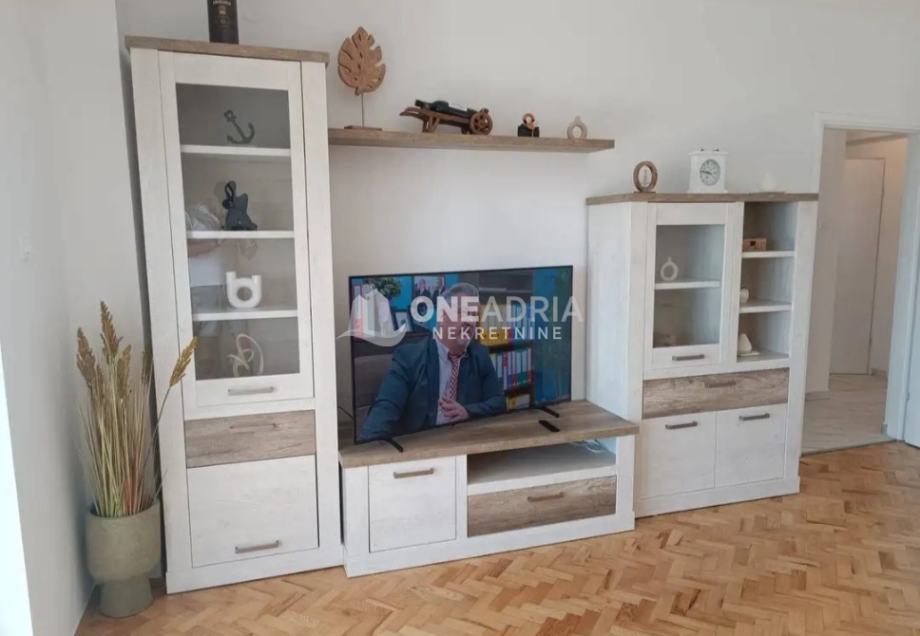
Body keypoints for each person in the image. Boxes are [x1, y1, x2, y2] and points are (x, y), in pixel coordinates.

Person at [358, 282, 506, 442]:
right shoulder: (409, 357)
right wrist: (370, 451)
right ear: (442, 317)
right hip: (422, 445)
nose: (469, 322)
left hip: (465, 441)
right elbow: (384, 411)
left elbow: (499, 403)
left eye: (474, 315)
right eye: (462, 312)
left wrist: (468, 412)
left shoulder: (479, 354)